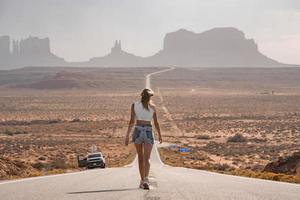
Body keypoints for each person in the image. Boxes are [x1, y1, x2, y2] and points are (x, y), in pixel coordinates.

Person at [125, 88, 162, 190]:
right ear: (150, 97)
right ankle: (145, 179)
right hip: (148, 131)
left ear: (141, 95)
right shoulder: (153, 107)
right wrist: (160, 135)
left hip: (137, 131)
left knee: (140, 158)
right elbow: (156, 123)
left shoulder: (134, 105)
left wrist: (127, 136)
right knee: (147, 158)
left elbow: (131, 122)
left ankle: (142, 181)